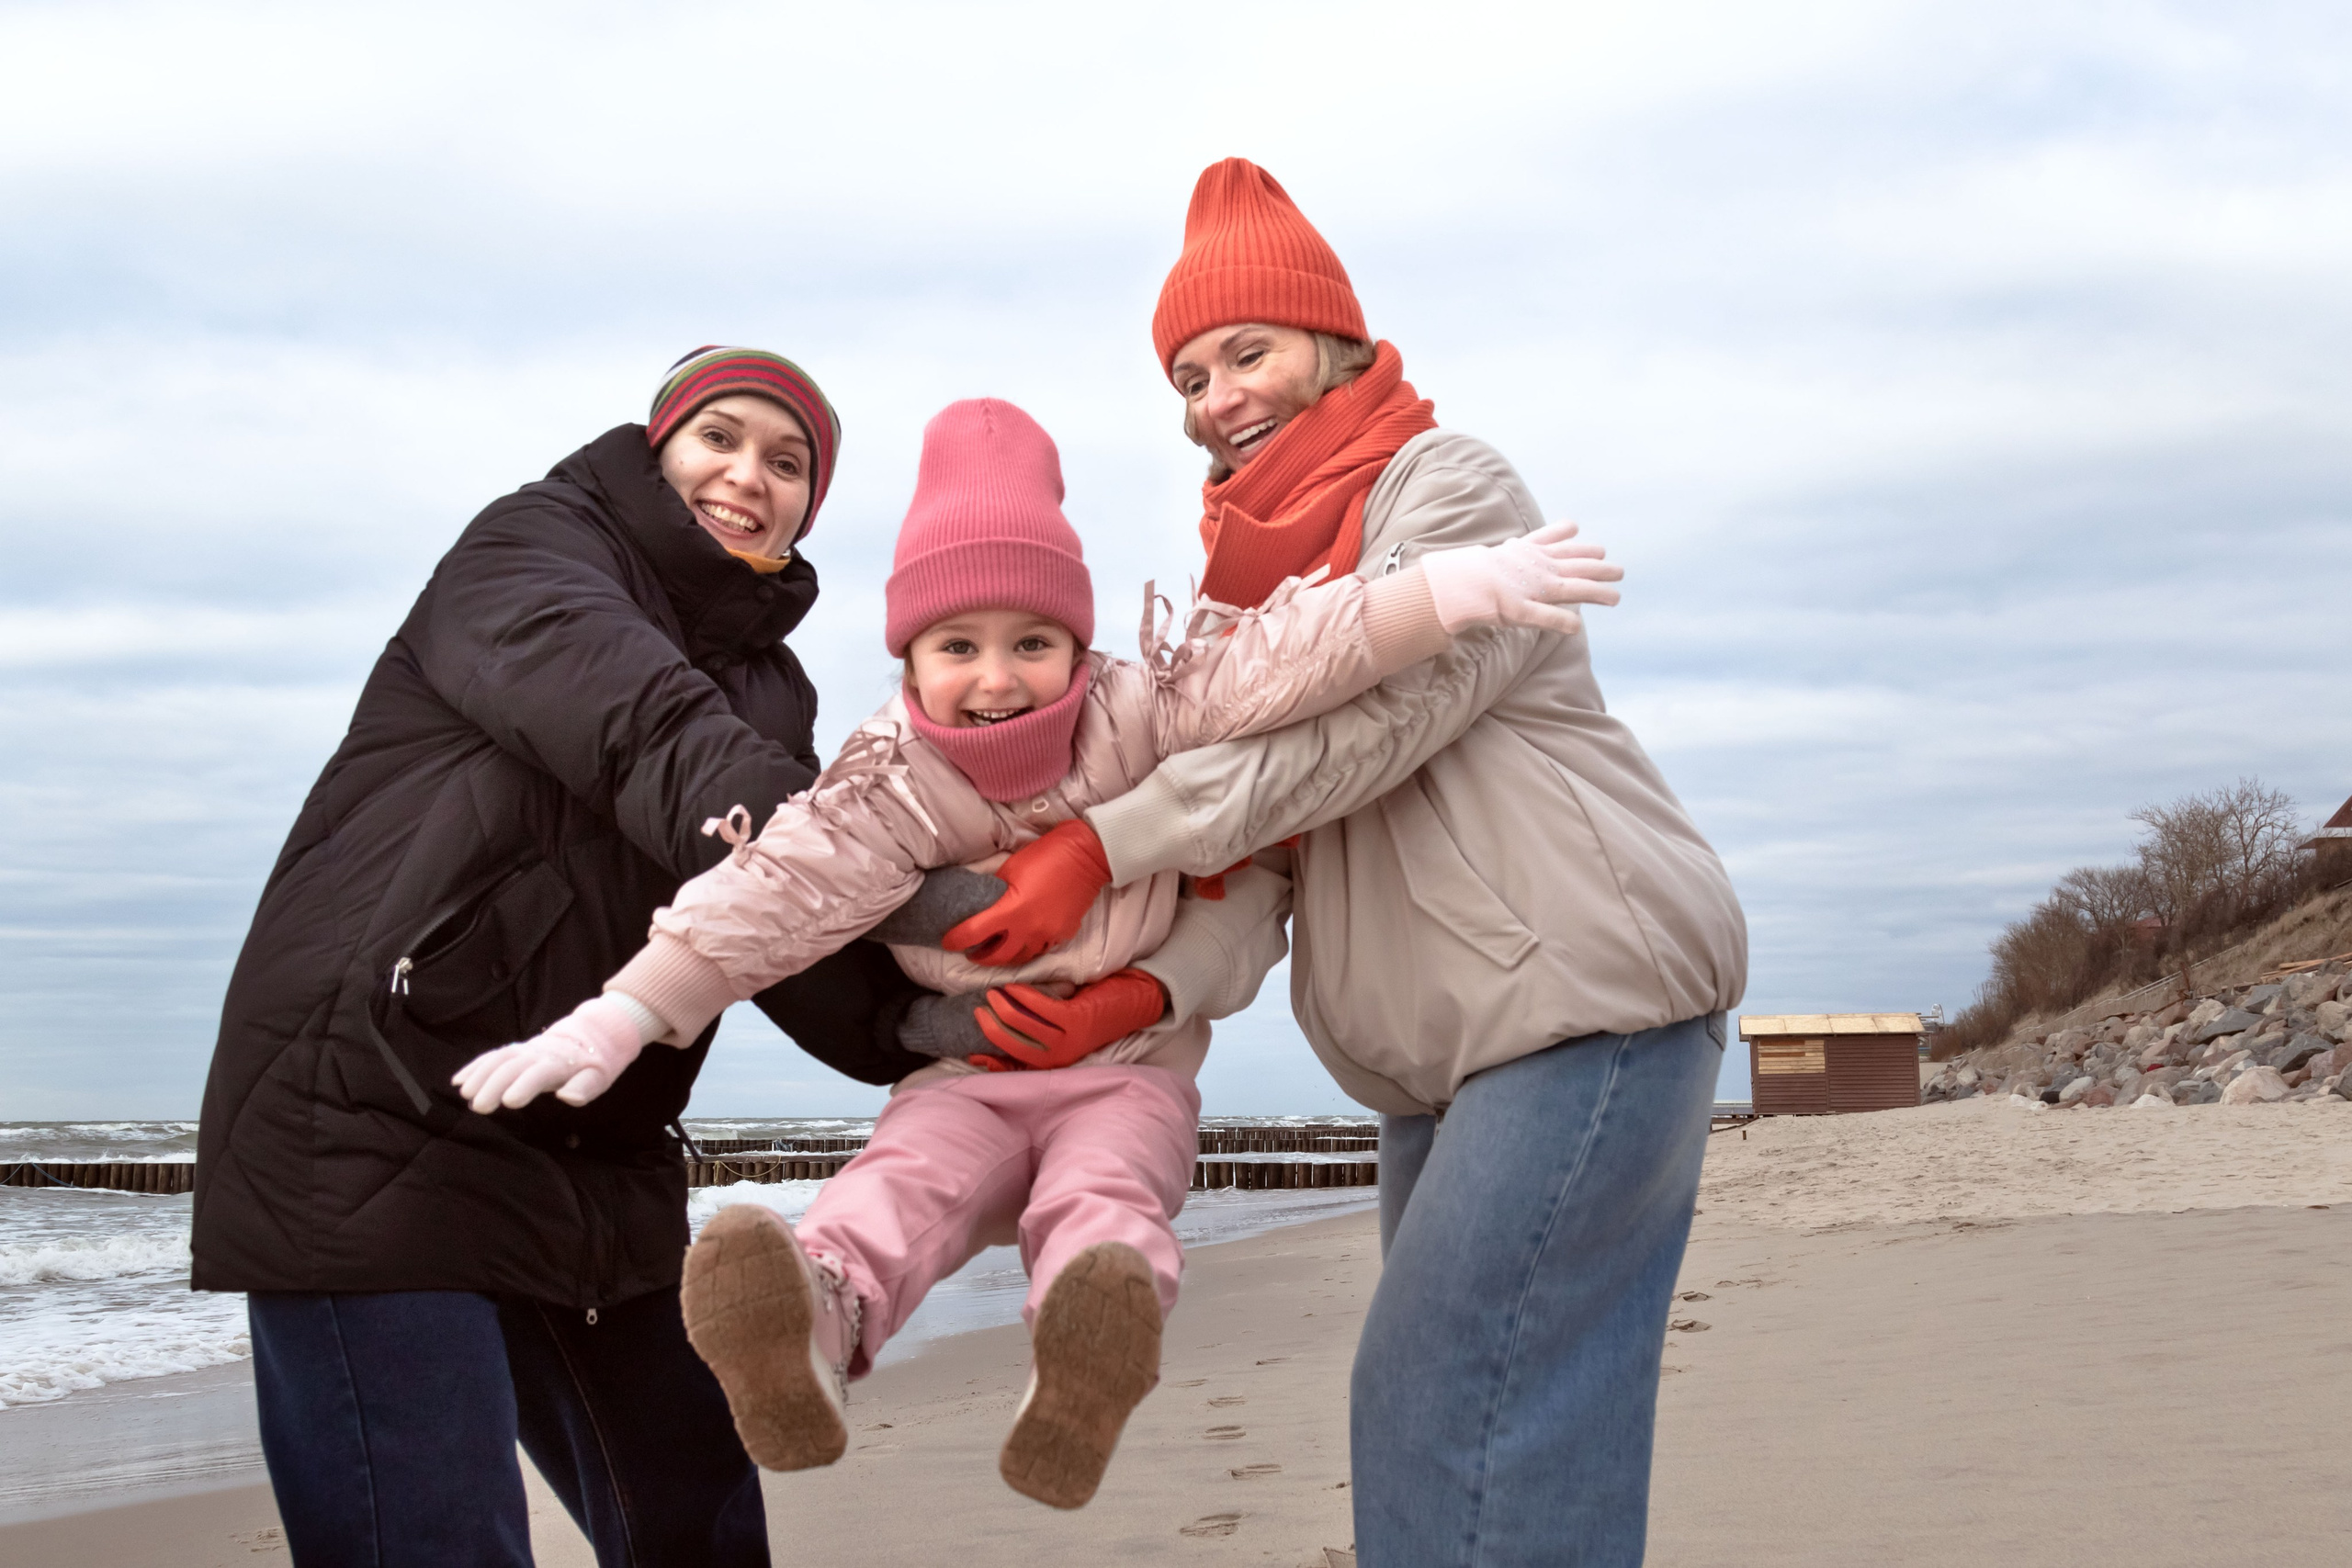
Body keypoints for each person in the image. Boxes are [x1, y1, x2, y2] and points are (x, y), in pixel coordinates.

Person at [453, 395, 1619, 1510]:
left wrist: (1448, 588)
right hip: (967, 1077)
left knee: (1107, 1194)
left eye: (1033, 641)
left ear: (1081, 641)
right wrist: (626, 1010)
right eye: (956, 644)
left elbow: (1288, 653)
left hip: (1125, 1067)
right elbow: (774, 891)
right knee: (895, 1189)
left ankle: (1086, 1344)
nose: (998, 678)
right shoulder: (888, 783)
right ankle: (808, 1326)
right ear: (909, 661)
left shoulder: (1145, 707)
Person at [188, 350, 1227, 1567]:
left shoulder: (768, 686)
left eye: (790, 464)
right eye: (720, 439)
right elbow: (663, 750)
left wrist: (943, 1025)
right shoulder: (528, 553)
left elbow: (771, 919)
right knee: (433, 1539)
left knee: (703, 1523)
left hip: (596, 1145)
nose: (752, 476)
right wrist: (989, 896)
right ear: (655, 445)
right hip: (374, 1118)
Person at [942, 162, 1750, 1566]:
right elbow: (1256, 864)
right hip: (1434, 1056)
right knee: (1494, 1421)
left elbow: (1371, 730)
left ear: (1331, 338)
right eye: (1188, 375)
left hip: (1584, 1003)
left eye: (1244, 352)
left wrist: (1103, 837)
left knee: (1454, 1392)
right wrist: (1138, 1000)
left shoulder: (1451, 487)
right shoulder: (1240, 598)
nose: (1216, 396)